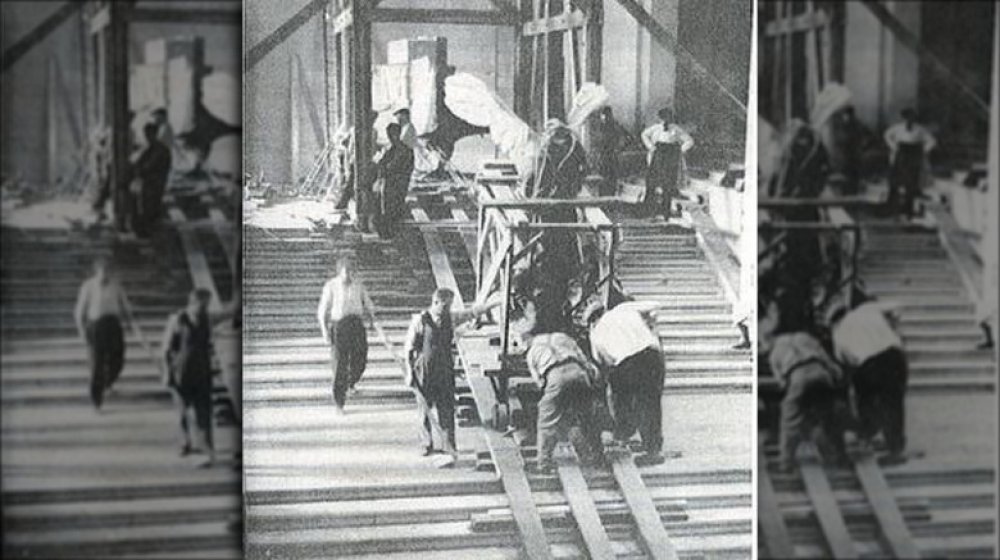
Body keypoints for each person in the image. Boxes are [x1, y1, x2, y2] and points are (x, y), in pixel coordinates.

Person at [404, 289, 499, 466]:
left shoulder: (451, 318)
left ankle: (449, 447)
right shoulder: (420, 320)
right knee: (424, 410)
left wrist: (493, 304)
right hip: (424, 369)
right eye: (445, 305)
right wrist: (410, 374)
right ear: (436, 302)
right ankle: (426, 444)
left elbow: (472, 312)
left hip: (445, 369)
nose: (448, 309)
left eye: (450, 305)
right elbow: (408, 348)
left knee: (446, 408)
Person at [585, 301, 669, 466]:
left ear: (591, 321)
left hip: (628, 363)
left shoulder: (595, 334)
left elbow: (605, 362)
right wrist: (650, 325)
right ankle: (653, 448)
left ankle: (625, 431)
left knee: (623, 397)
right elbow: (655, 306)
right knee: (651, 403)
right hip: (653, 355)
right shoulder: (623, 309)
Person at [830, 300, 910, 465]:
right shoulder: (867, 309)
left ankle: (868, 432)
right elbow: (897, 307)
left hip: (869, 363)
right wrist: (892, 326)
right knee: (894, 402)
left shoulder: (837, 334)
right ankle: (895, 447)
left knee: (866, 400)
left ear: (834, 321)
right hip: (895, 356)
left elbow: (846, 362)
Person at [769, 327, 855, 471]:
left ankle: (786, 462)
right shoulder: (805, 337)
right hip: (821, 372)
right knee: (828, 416)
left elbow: (782, 383)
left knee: (789, 419)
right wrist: (835, 376)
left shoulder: (775, 352)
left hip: (797, 376)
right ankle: (840, 457)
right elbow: (826, 359)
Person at [524, 326, 605, 474]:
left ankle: (543, 463)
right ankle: (596, 455)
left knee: (546, 421)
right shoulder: (562, 337)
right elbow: (584, 360)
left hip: (555, 376)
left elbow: (540, 383)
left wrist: (554, 401)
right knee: (586, 417)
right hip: (578, 372)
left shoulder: (531, 352)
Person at [161, 289, 216, 467]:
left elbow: (209, 345)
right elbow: (166, 349)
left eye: (207, 305)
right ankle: (185, 442)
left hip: (202, 371)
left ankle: (207, 448)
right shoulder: (177, 320)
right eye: (202, 305)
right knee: (182, 411)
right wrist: (167, 373)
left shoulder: (207, 319)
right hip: (181, 371)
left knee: (204, 411)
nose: (205, 308)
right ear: (192, 303)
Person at [74, 257, 138, 410]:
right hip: (96, 326)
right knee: (97, 364)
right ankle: (96, 401)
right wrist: (82, 331)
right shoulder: (88, 286)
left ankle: (108, 382)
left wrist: (132, 324)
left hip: (113, 325)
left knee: (118, 359)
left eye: (108, 271)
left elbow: (126, 306)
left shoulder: (116, 285)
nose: (105, 274)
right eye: (103, 271)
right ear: (96, 271)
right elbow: (79, 311)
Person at [316, 256, 377, 415]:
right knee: (340, 365)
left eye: (351, 272)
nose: (349, 275)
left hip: (356, 324)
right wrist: (324, 332)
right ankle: (339, 403)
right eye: (346, 272)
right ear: (339, 272)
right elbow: (322, 311)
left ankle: (350, 383)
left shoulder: (359, 285)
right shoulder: (331, 286)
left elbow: (368, 303)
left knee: (361, 360)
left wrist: (372, 319)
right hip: (339, 326)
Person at [641, 108, 694, 219]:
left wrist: (679, 151)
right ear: (659, 119)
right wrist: (651, 147)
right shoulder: (655, 129)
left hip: (669, 160)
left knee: (668, 186)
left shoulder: (676, 129)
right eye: (663, 118)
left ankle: (665, 212)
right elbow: (644, 135)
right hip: (656, 159)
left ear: (670, 118)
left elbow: (689, 141)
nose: (665, 121)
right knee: (651, 184)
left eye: (667, 118)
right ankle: (648, 211)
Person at [884, 108, 936, 219]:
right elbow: (887, 135)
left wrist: (923, 151)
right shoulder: (897, 128)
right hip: (900, 155)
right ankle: (892, 209)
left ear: (914, 118)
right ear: (903, 118)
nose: (909, 120)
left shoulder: (920, 129)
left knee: (911, 184)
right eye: (906, 118)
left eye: (911, 118)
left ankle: (908, 210)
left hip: (913, 156)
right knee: (895, 182)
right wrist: (893, 147)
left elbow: (932, 141)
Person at [129, 122, 172, 237]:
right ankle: (144, 227)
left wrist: (137, 169)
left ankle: (147, 229)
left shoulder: (159, 150)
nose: (147, 136)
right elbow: (140, 163)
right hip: (149, 182)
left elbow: (147, 166)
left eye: (149, 134)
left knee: (147, 205)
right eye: (146, 134)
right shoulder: (151, 148)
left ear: (154, 134)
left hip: (155, 183)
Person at [372, 122, 415, 238]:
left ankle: (391, 232)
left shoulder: (403, 150)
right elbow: (384, 163)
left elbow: (391, 166)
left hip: (397, 183)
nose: (391, 137)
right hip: (392, 182)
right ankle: (390, 231)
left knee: (393, 207)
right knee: (389, 206)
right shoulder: (394, 149)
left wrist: (382, 168)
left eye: (393, 134)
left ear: (398, 134)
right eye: (389, 135)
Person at [590, 107, 629, 197]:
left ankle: (608, 199)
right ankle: (605, 198)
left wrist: (619, 148)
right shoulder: (602, 126)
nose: (604, 117)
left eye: (605, 115)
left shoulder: (614, 126)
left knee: (609, 178)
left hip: (610, 155)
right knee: (605, 178)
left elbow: (627, 137)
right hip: (605, 155)